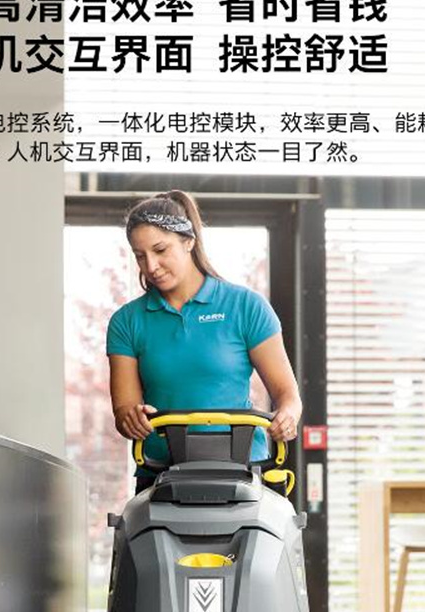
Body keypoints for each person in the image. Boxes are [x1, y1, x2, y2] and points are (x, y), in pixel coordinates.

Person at [106, 189, 302, 490]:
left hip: (243, 473)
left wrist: (287, 415)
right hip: (159, 476)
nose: (151, 266)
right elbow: (124, 411)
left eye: (160, 250)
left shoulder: (246, 307)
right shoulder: (127, 321)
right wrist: (132, 417)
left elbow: (287, 395)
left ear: (189, 241)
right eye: (140, 256)